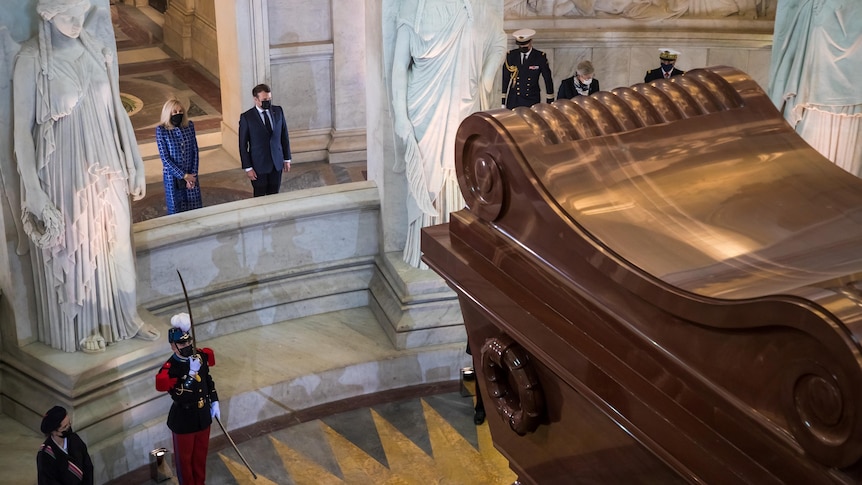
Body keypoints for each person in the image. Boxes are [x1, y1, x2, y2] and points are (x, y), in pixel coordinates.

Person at [12, 0, 159, 353]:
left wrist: (136, 161)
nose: (78, 21)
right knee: (83, 245)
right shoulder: (33, 61)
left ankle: (125, 314)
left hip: (106, 158)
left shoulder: (97, 49)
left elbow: (117, 113)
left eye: (81, 12)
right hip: (64, 168)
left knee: (119, 238)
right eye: (69, 14)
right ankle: (88, 324)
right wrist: (32, 189)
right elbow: (20, 134)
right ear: (48, 15)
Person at [391, 0, 506, 268]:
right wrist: (400, 116)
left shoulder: (474, 8)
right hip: (423, 110)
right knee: (426, 179)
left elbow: (500, 40)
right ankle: (423, 251)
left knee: (460, 172)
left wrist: (486, 78)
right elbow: (398, 68)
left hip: (463, 105)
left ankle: (459, 248)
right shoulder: (414, 9)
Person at [155, 313, 220, 485]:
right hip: (184, 420)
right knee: (184, 462)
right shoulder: (170, 369)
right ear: (173, 346)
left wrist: (214, 400)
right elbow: (179, 396)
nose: (187, 345)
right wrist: (191, 374)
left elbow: (208, 380)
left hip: (203, 417)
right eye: (182, 343)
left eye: (189, 341)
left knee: (200, 458)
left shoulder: (200, 356)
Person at [239, 84, 292, 197]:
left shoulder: (278, 111)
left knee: (274, 195)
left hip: (276, 163)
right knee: (260, 196)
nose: (267, 102)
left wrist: (287, 158)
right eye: (264, 100)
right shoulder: (247, 117)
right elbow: (243, 145)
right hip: (258, 165)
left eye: (269, 99)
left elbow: (284, 136)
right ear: (256, 99)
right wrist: (248, 168)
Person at [156, 98, 201, 214]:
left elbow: (195, 151)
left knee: (194, 208)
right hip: (173, 177)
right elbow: (165, 159)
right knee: (176, 210)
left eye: (180, 111)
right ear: (168, 114)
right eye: (174, 112)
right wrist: (183, 175)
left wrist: (192, 176)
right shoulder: (162, 131)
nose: (178, 114)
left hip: (191, 174)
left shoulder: (189, 126)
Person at [36, 405, 93, 485]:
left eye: (69, 424)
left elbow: (88, 466)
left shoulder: (74, 439)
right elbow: (48, 482)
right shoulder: (45, 455)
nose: (68, 428)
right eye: (65, 427)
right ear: (54, 431)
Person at [502, 28, 555, 109]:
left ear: (530, 41)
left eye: (525, 44)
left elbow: (547, 79)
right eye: (520, 44)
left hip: (531, 98)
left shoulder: (539, 57)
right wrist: (503, 101)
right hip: (514, 99)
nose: (522, 47)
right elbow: (505, 78)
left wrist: (550, 100)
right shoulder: (511, 55)